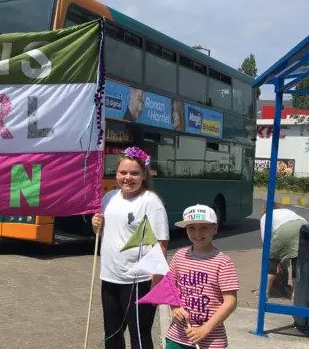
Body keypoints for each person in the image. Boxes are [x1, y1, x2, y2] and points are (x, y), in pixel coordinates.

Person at [91, 146, 170, 349]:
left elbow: (161, 244)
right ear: (116, 173)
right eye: (123, 172)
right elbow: (103, 234)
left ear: (144, 174)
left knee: (139, 336)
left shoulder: (151, 202)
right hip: (109, 277)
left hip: (138, 281)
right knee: (112, 334)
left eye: (134, 173)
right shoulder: (108, 198)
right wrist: (95, 226)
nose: (128, 177)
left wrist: (156, 284)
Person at [165, 204, 239, 349]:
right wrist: (174, 308)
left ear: (215, 228)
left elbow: (230, 302)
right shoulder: (179, 256)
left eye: (204, 227)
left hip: (211, 341)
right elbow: (170, 289)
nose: (197, 234)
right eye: (191, 228)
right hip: (177, 336)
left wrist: (206, 329)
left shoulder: (223, 262)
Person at [256, 202, 307, 298]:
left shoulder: (266, 216)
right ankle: (295, 295)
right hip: (304, 226)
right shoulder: (287, 211)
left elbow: (266, 240)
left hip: (285, 229)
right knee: (297, 262)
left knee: (273, 261)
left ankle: (265, 291)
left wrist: (275, 255)